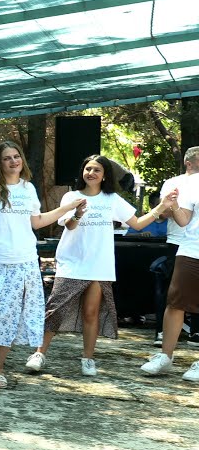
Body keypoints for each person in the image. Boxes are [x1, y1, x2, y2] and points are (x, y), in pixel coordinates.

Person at [0, 141, 87, 388]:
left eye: (16, 156)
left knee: (7, 315)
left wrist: (68, 207)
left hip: (22, 260)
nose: (13, 161)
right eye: (7, 158)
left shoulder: (28, 189)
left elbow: (37, 222)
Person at [26, 155, 168, 376]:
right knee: (55, 310)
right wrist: (79, 214)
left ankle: (88, 359)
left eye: (96, 170)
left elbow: (138, 224)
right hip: (72, 263)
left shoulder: (111, 199)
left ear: (104, 176)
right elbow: (69, 226)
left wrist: (161, 207)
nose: (91, 173)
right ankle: (39, 354)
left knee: (91, 313)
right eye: (88, 169)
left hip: (99, 265)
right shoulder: (71, 196)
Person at [142, 175, 199, 381]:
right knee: (175, 302)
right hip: (190, 249)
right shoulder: (194, 183)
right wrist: (173, 205)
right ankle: (165, 357)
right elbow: (184, 220)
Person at [153, 148, 199, 346]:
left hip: (192, 242)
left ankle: (195, 333)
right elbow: (163, 212)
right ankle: (164, 335)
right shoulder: (174, 183)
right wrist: (174, 206)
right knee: (174, 293)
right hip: (179, 242)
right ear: (189, 163)